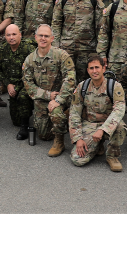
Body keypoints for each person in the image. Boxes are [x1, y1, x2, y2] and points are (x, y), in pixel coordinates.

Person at [23, 24, 77, 157]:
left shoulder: (61, 55)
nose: (43, 38)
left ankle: (59, 141)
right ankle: (62, 120)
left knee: (56, 113)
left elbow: (70, 79)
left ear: (52, 38)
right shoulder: (30, 60)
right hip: (42, 100)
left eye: (46, 36)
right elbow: (28, 84)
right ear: (35, 37)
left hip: (61, 98)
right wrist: (48, 95)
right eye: (40, 35)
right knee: (44, 136)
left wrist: (58, 100)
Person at [69, 56, 126, 171]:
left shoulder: (114, 86)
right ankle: (96, 146)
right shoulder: (82, 86)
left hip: (108, 125)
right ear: (88, 70)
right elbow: (74, 113)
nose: (94, 71)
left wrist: (103, 129)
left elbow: (119, 110)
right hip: (89, 124)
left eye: (97, 67)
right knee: (77, 160)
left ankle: (112, 156)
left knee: (120, 126)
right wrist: (78, 138)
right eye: (91, 68)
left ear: (103, 69)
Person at [52, 0, 100, 83]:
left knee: (84, 81)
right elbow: (56, 24)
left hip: (86, 49)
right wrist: (56, 46)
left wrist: (99, 50)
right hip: (66, 48)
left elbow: (100, 25)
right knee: (66, 79)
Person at [0, 24, 36, 140]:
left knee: (22, 96)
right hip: (11, 84)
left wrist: (16, 88)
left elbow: (34, 73)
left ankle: (25, 126)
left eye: (14, 34)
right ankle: (23, 117)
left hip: (27, 83)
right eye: (8, 35)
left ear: (20, 35)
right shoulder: (2, 49)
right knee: (15, 121)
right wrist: (8, 84)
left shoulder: (28, 49)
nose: (11, 37)